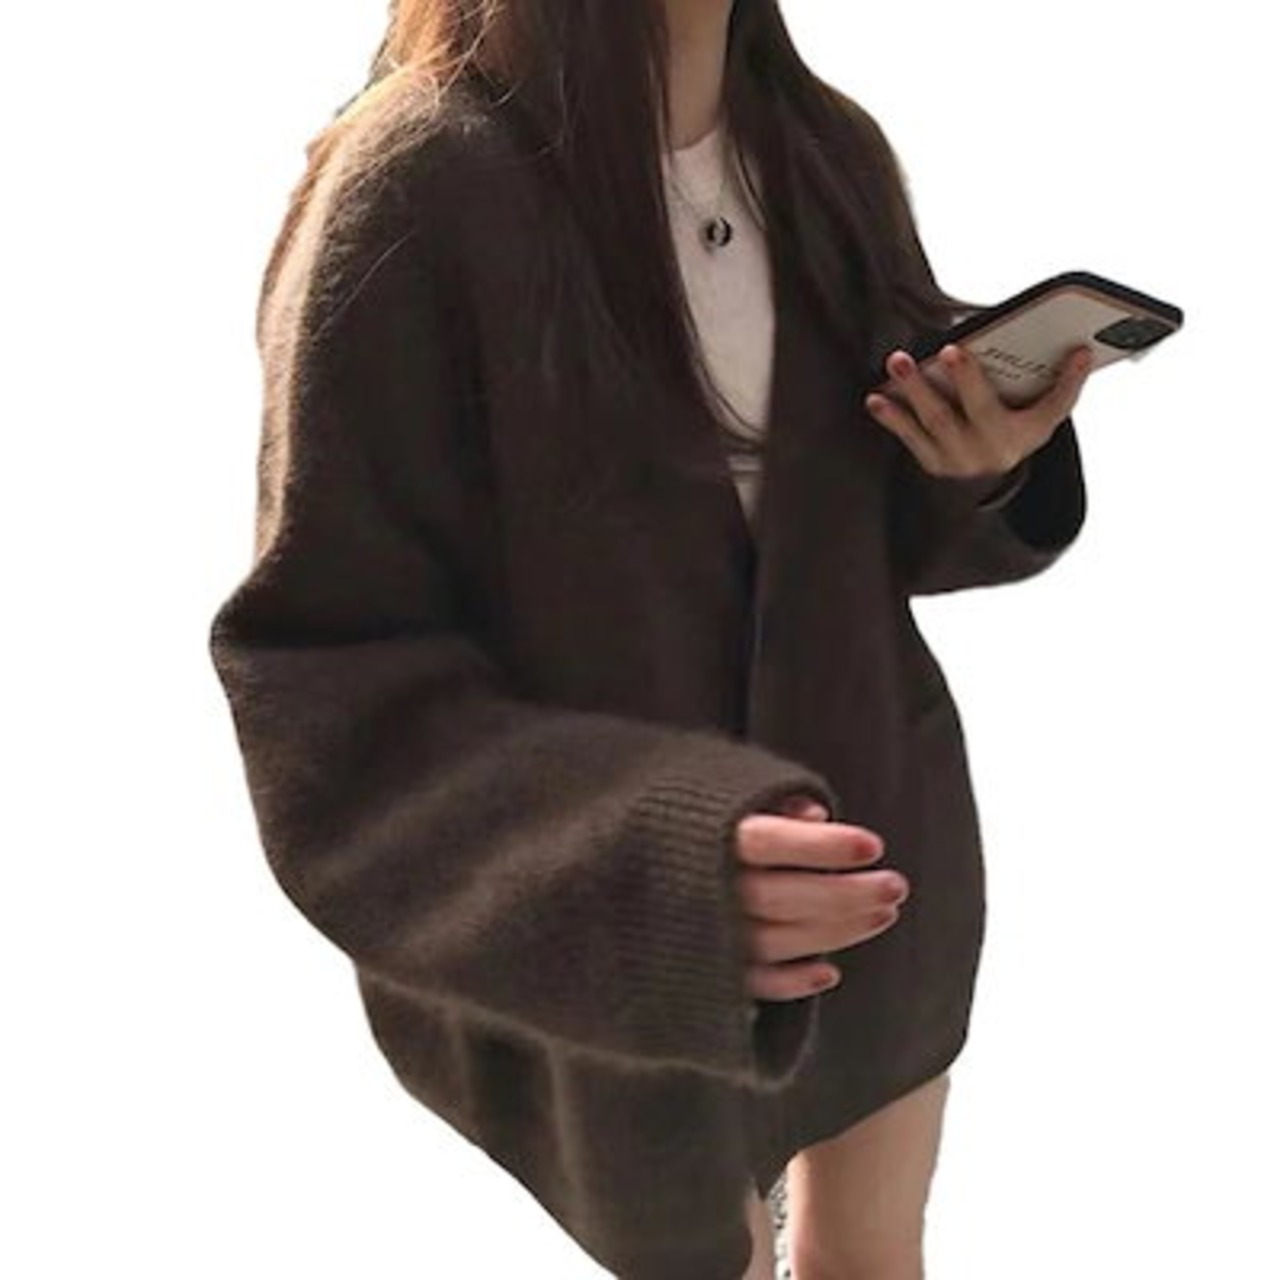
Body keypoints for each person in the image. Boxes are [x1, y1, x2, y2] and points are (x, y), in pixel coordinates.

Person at [207, 2, 1093, 1277]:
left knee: (872, 1254)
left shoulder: (824, 149)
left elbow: (859, 535)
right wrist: (653, 874)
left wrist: (977, 462)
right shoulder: (416, 184)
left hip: (887, 859)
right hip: (628, 943)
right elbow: (328, 681)